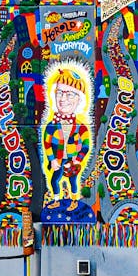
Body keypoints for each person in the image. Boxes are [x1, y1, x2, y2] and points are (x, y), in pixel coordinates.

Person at [43, 67, 92, 210]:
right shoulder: (52, 125)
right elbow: (47, 144)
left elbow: (86, 145)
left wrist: (77, 160)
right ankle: (57, 200)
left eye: (69, 94)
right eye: (59, 93)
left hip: (72, 160)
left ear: (79, 99)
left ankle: (74, 201)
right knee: (54, 180)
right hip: (58, 160)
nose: (63, 99)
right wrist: (52, 160)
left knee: (73, 181)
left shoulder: (81, 127)